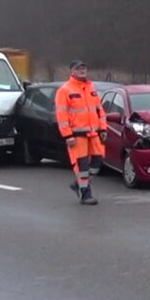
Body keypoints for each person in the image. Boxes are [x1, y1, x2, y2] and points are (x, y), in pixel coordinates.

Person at [55, 60, 103, 205]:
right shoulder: (65, 90)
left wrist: (103, 128)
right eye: (78, 68)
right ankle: (85, 194)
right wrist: (67, 135)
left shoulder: (90, 87)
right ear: (72, 72)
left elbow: (99, 110)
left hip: (93, 133)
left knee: (97, 162)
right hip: (76, 135)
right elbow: (61, 115)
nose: (82, 70)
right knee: (82, 166)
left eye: (84, 68)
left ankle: (79, 184)